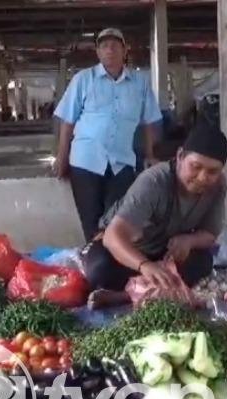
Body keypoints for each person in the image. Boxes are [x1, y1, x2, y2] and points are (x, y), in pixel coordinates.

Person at [82, 124, 227, 308]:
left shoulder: (218, 186)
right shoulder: (154, 182)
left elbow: (209, 234)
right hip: (128, 251)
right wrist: (144, 265)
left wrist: (189, 240)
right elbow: (113, 237)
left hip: (165, 255)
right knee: (99, 270)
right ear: (180, 156)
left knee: (203, 262)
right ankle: (152, 290)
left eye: (212, 171)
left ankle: (123, 296)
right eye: (195, 167)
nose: (202, 178)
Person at [54, 27, 163, 241]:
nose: (109, 50)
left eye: (115, 45)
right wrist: (61, 156)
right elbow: (67, 121)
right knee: (91, 222)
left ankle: (111, 265)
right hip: (85, 162)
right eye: (104, 46)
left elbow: (150, 121)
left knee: (117, 222)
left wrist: (150, 154)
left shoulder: (140, 83)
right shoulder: (83, 80)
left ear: (125, 51)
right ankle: (95, 265)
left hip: (122, 163)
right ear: (97, 52)